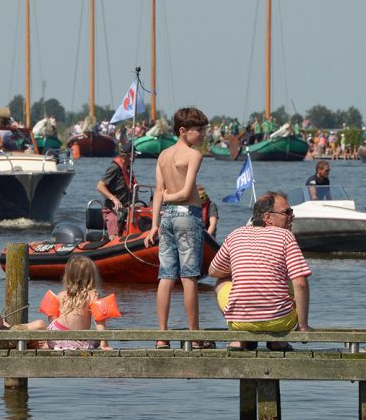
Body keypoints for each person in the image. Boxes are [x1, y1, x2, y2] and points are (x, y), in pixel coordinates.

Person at [208, 191, 311, 351]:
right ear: (268, 217)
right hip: (280, 321)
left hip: (240, 320)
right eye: (287, 212)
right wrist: (303, 326)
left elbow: (213, 271)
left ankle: (239, 338)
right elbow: (301, 284)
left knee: (221, 282)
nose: (292, 216)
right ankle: (278, 341)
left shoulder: (235, 234)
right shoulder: (285, 236)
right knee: (292, 278)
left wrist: (239, 270)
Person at [145, 107, 211, 348]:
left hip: (166, 218)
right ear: (183, 131)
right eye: (199, 130)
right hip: (187, 214)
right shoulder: (194, 155)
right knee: (189, 276)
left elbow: (158, 193)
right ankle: (195, 335)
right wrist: (170, 198)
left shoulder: (162, 155)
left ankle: (162, 335)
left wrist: (154, 224)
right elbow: (184, 192)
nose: (203, 134)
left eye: (204, 129)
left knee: (166, 275)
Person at [45, 256, 112, 351]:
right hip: (76, 341)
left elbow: (53, 317)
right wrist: (104, 344)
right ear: (91, 276)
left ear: (68, 276)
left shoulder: (61, 295)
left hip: (55, 338)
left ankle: (55, 344)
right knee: (96, 339)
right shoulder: (92, 295)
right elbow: (99, 321)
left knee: (57, 323)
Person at [95, 144, 137, 237]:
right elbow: (100, 186)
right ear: (128, 155)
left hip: (127, 209)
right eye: (135, 154)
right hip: (112, 209)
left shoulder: (128, 168)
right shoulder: (114, 168)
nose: (136, 157)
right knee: (114, 236)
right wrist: (113, 198)